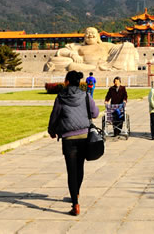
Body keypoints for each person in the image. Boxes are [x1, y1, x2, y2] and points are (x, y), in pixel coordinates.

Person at [48, 70, 99, 216]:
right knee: (80, 167)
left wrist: (52, 130)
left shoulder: (61, 97)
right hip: (83, 136)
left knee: (71, 171)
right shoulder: (86, 96)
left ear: (67, 82)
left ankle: (75, 204)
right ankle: (76, 193)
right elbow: (95, 113)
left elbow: (54, 116)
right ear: (79, 82)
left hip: (68, 138)